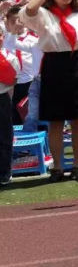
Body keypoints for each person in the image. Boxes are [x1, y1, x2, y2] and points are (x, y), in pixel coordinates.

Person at [20, 0, 78, 181]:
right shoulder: (44, 14)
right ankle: (57, 167)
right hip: (53, 66)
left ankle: (76, 165)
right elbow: (28, 10)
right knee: (55, 121)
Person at [2, 4, 40, 126]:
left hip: (28, 80)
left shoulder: (33, 38)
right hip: (9, 82)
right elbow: (9, 46)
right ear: (6, 22)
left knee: (29, 112)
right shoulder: (5, 38)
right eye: (13, 21)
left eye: (19, 21)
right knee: (11, 112)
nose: (17, 24)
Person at [0, 45, 19, 187]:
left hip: (2, 98)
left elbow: (13, 80)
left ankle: (4, 173)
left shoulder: (9, 57)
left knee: (5, 137)